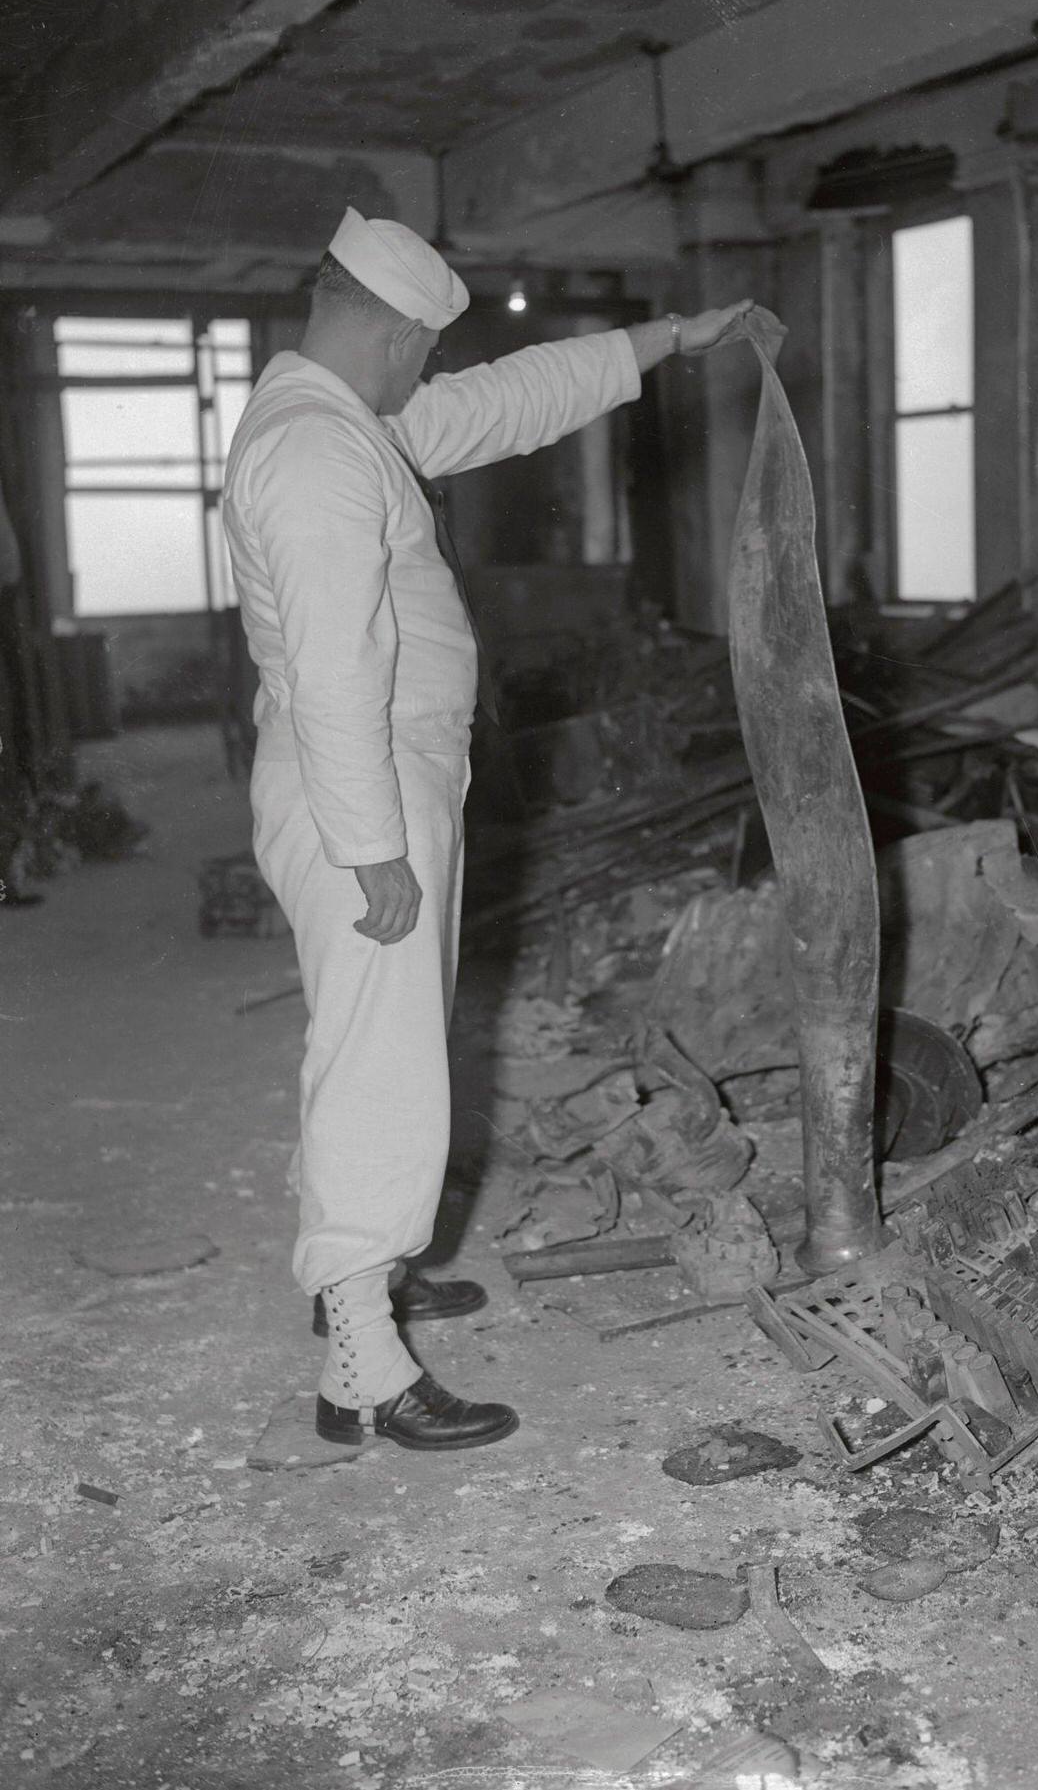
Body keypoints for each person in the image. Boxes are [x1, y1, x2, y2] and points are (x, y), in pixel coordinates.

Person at [223, 206, 753, 1453]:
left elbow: (508, 403)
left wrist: (668, 338)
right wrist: (372, 848)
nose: (428, 374)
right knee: (384, 1058)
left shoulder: (348, 421)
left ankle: (357, 1282)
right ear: (393, 327)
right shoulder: (313, 451)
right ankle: (361, 1362)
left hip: (385, 772)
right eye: (422, 348)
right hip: (362, 781)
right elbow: (337, 668)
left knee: (369, 1034)